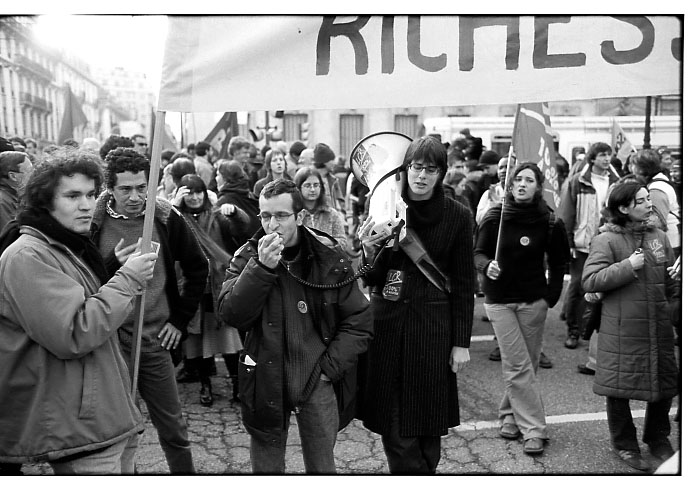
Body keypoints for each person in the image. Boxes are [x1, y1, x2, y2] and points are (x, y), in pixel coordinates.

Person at [0, 147, 157, 474]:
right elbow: (75, 333)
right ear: (45, 200)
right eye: (72, 196)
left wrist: (118, 274)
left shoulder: (68, 245)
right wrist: (127, 280)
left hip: (105, 414)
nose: (86, 204)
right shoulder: (27, 256)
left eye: (90, 194)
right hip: (80, 423)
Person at [218, 178, 372, 473]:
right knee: (266, 464)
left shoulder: (329, 256)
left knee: (321, 464)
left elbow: (358, 319)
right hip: (266, 374)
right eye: (265, 216)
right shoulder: (248, 257)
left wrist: (330, 368)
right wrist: (260, 269)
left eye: (281, 216)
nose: (272, 224)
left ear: (300, 217)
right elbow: (231, 314)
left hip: (316, 375)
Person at [356, 136, 475, 473]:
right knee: (396, 431)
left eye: (431, 169)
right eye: (416, 167)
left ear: (441, 175)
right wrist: (368, 248)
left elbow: (465, 284)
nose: (421, 176)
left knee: (427, 429)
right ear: (405, 169)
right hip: (389, 329)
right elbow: (371, 278)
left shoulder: (458, 215)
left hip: (433, 331)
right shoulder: (386, 207)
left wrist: (461, 342)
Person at [90, 147, 208, 474]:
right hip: (110, 345)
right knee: (119, 431)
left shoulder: (165, 217)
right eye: (125, 189)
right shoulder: (92, 223)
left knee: (173, 428)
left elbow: (199, 268)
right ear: (109, 189)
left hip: (155, 342)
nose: (135, 196)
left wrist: (179, 320)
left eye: (142, 187)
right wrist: (113, 264)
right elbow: (83, 281)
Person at [581, 181, 679, 472]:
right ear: (623, 208)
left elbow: (671, 282)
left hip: (659, 327)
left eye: (648, 198)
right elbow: (590, 280)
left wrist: (675, 295)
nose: (649, 204)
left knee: (664, 385)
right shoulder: (606, 240)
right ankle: (625, 444)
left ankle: (658, 439)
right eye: (640, 201)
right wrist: (627, 265)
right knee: (619, 390)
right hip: (621, 329)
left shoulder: (659, 236)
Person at [474, 162, 570, 456]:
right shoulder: (495, 217)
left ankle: (508, 415)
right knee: (517, 365)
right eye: (518, 179)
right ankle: (534, 429)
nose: (523, 184)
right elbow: (477, 252)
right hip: (500, 301)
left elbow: (558, 263)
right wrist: (485, 266)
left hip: (533, 301)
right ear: (510, 184)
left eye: (529, 180)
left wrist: (549, 299)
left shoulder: (551, 222)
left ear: (539, 187)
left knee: (526, 364)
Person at [173, 174, 252, 405]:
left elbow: (242, 227)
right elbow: (165, 232)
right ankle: (205, 386)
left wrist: (235, 213)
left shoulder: (217, 216)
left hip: (218, 286)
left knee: (229, 339)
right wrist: (175, 207)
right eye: (189, 193)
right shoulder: (178, 219)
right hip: (191, 288)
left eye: (199, 192)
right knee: (197, 342)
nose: (195, 197)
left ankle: (237, 386)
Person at [559, 142, 619, 349]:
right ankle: (573, 330)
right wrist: (568, 242)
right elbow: (566, 213)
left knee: (604, 287)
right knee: (578, 287)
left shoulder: (616, 182)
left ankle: (592, 330)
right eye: (602, 155)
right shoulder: (578, 182)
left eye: (608, 155)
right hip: (582, 244)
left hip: (607, 244)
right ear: (592, 158)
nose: (606, 159)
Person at [630, 149, 681, 256]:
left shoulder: (656, 189)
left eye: (633, 166)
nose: (632, 170)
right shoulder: (660, 182)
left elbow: (655, 222)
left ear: (642, 169)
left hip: (668, 244)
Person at [294, 166, 349, 251]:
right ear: (299, 188)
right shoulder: (294, 215)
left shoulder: (331, 213)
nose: (312, 189)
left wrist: (326, 241)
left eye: (316, 185)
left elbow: (343, 243)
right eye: (307, 185)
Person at [215, 159, 262, 240]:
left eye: (218, 175)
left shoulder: (224, 201)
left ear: (226, 178)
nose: (216, 178)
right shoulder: (249, 195)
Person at [0, 150, 33, 236]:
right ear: (13, 176)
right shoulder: (1, 201)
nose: (34, 174)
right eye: (30, 171)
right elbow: (8, 237)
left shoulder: (16, 194)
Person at [313, 142, 346, 213]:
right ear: (324, 162)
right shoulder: (310, 180)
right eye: (332, 160)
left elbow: (340, 203)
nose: (334, 163)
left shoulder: (333, 180)